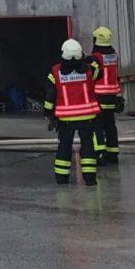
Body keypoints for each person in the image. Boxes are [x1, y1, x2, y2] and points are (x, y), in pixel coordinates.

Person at [44, 38, 101, 186]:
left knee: (64, 145)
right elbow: (99, 71)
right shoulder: (90, 70)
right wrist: (91, 58)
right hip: (87, 116)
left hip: (65, 118)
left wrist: (48, 114)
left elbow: (50, 96)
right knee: (88, 145)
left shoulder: (55, 72)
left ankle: (62, 178)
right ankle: (90, 178)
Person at [90, 26, 123, 165]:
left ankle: (100, 154)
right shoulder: (114, 56)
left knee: (97, 126)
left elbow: (92, 75)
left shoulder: (96, 58)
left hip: (98, 96)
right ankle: (113, 154)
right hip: (112, 96)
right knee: (110, 125)